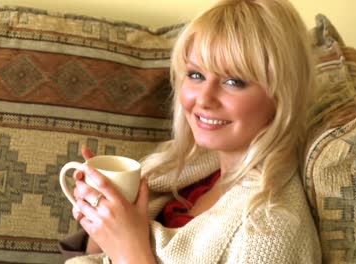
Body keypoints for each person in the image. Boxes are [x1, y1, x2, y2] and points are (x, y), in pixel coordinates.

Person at [59, 0, 321, 263]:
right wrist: (103, 216)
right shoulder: (190, 168)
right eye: (196, 75)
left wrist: (131, 251)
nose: (204, 99)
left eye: (233, 81)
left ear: (282, 95)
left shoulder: (273, 229)